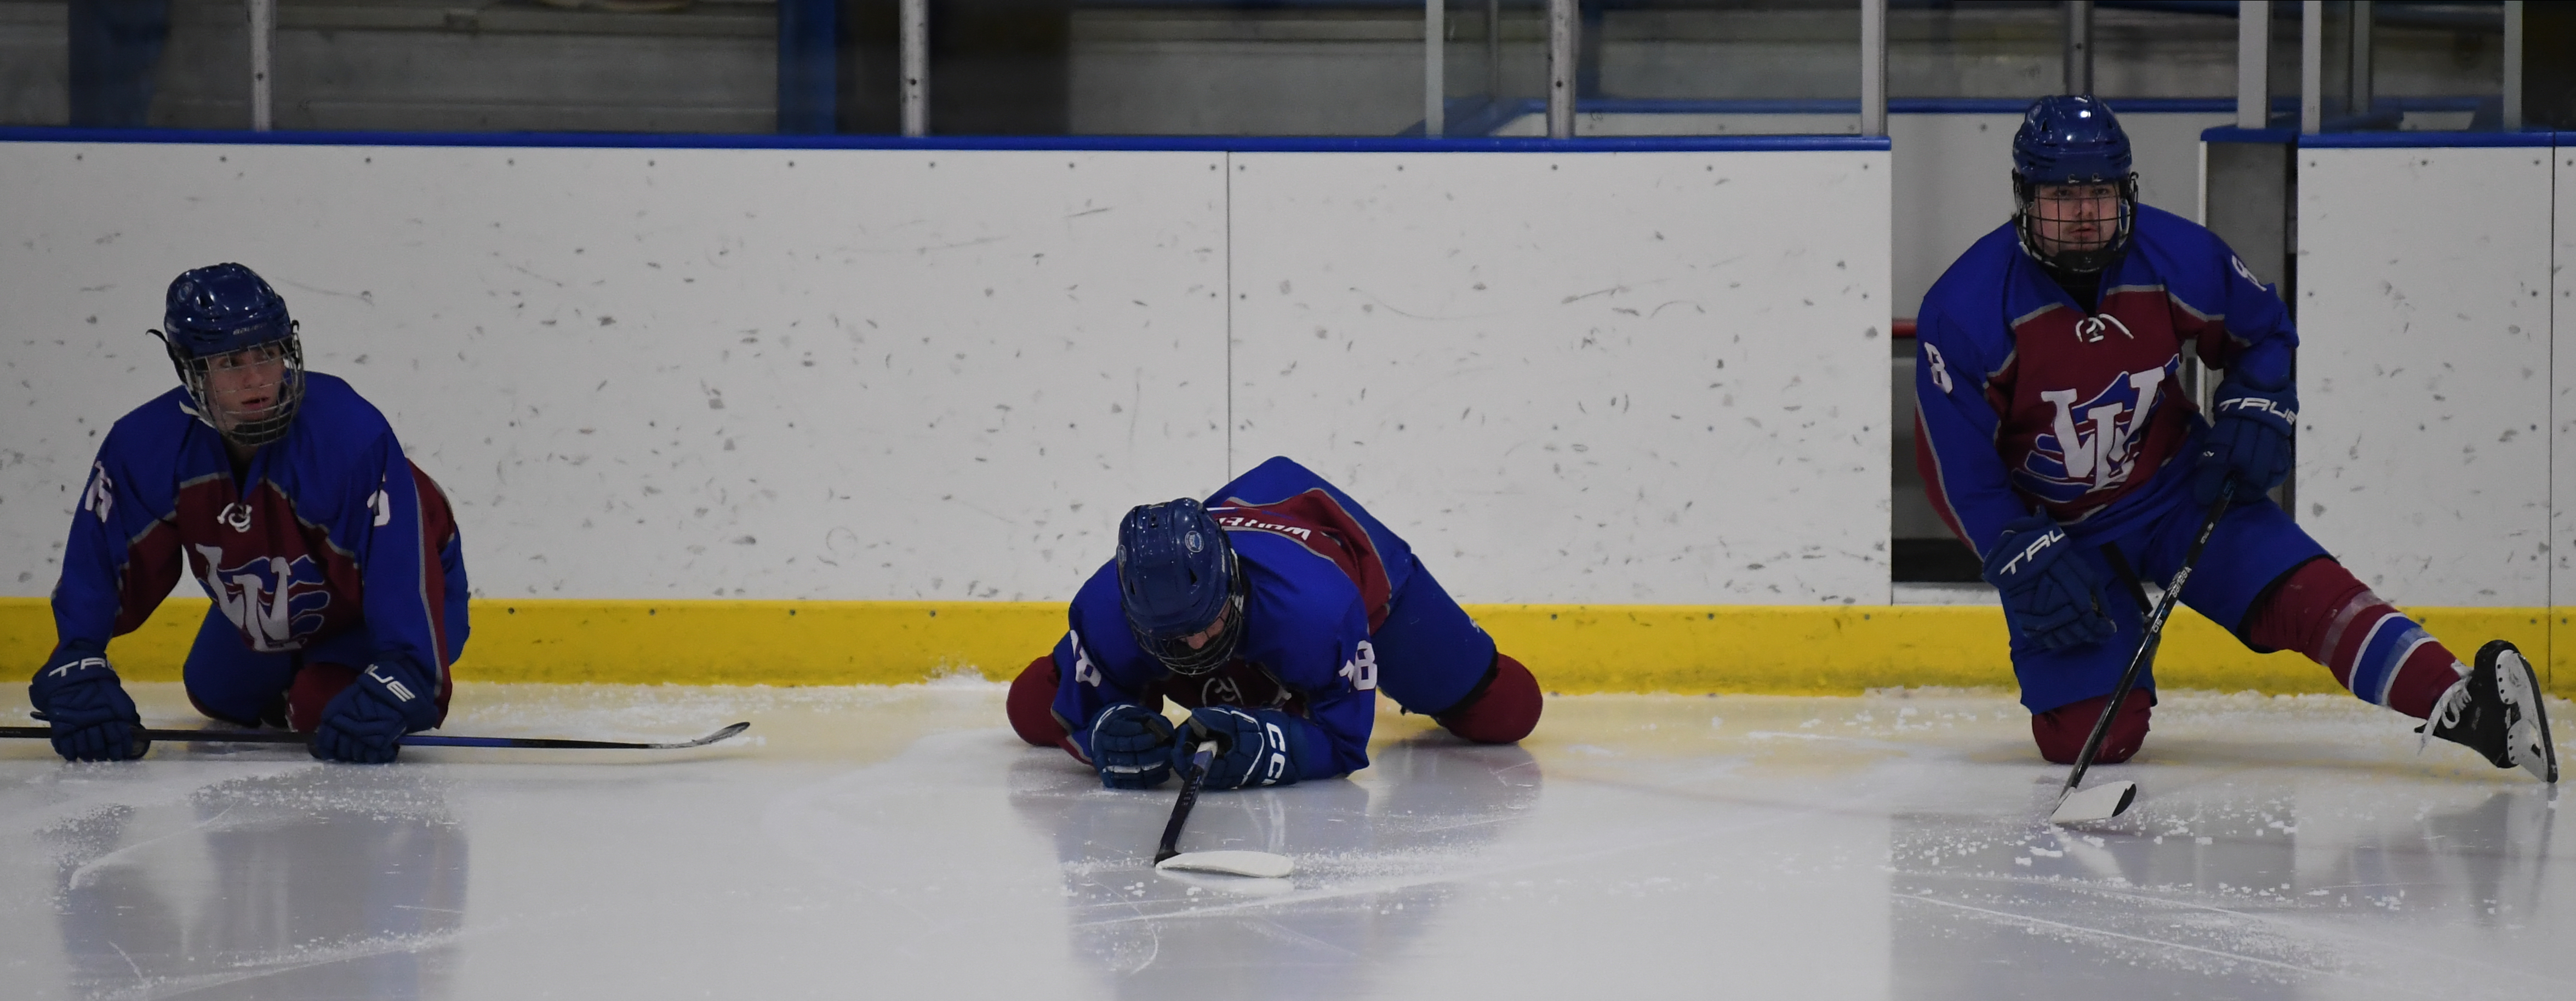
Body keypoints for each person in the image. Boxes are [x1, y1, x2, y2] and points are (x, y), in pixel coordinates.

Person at [1912, 96, 2554, 781]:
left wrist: (2258, 403)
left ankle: (2468, 702)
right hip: (2059, 533)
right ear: (2024, 199)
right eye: (2060, 195)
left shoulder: (2181, 258)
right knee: (2090, 739)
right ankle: (2102, 633)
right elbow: (1960, 473)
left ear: (2125, 191)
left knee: (2314, 599)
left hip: (2175, 490)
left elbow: (2264, 335)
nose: (2082, 214)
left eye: (2098, 192)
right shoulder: (1966, 309)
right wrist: (2019, 553)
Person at [30, 262, 469, 764]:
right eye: (230, 362)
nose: (258, 379)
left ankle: (316, 680)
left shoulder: (348, 436)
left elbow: (401, 568)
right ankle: (302, 677)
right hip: (279, 596)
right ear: (189, 369)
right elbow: (98, 564)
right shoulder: (144, 446)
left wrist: (405, 678)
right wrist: (78, 661)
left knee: (321, 705)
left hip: (400, 597)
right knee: (214, 689)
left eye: (268, 353)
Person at [1006, 456, 1541, 790]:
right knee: (1029, 708)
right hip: (1271, 601)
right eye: (1170, 635)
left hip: (1361, 579)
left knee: (1508, 709)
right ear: (1130, 610)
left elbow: (1347, 744)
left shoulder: (1320, 611)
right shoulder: (1104, 609)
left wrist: (1274, 748)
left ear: (1233, 587)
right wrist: (1105, 736)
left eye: (1206, 623)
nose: (1193, 645)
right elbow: (1071, 718)